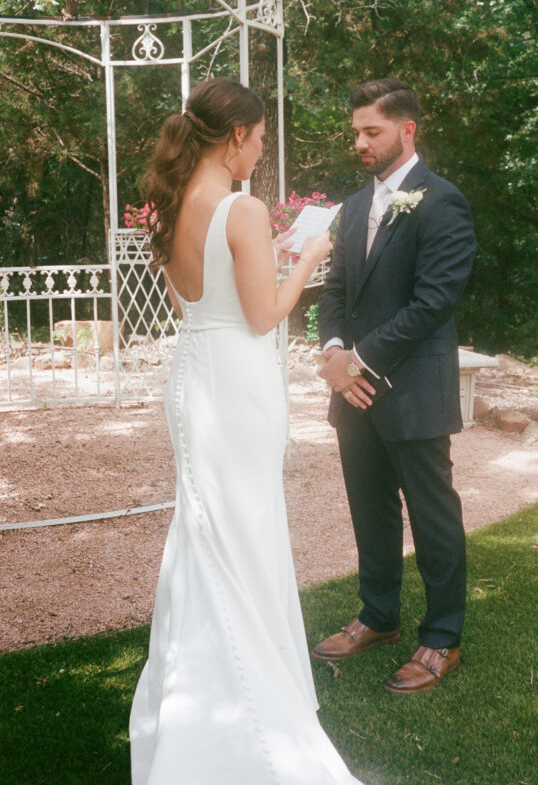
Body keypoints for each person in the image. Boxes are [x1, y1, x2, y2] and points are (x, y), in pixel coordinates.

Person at [129, 78, 365, 784]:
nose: (259, 153)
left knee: (205, 526)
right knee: (247, 523)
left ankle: (197, 688)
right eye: (259, 140)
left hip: (191, 377)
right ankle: (253, 693)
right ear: (236, 135)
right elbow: (264, 316)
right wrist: (311, 258)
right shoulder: (241, 208)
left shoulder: (167, 209)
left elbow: (190, 300)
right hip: (238, 381)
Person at [314, 78, 476, 694]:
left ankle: (441, 638)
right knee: (369, 509)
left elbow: (434, 300)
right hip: (351, 393)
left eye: (371, 131)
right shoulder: (354, 206)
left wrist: (358, 359)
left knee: (433, 516)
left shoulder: (442, 201)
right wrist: (333, 354)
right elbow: (333, 292)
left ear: (407, 129)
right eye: (355, 131)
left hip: (412, 389)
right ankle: (378, 616)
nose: (359, 142)